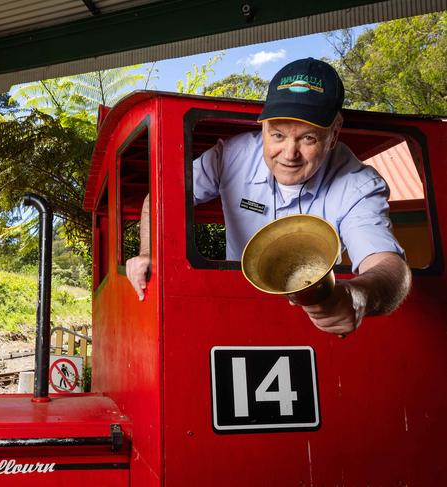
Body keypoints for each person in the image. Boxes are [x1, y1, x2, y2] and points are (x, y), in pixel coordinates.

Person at [125, 58, 411, 337]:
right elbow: (159, 197)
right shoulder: (231, 155)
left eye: (308, 138)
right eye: (277, 135)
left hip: (313, 322)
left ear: (334, 133)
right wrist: (148, 252)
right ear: (262, 126)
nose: (289, 154)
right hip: (233, 309)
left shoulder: (358, 185)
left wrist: (357, 296)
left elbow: (388, 266)